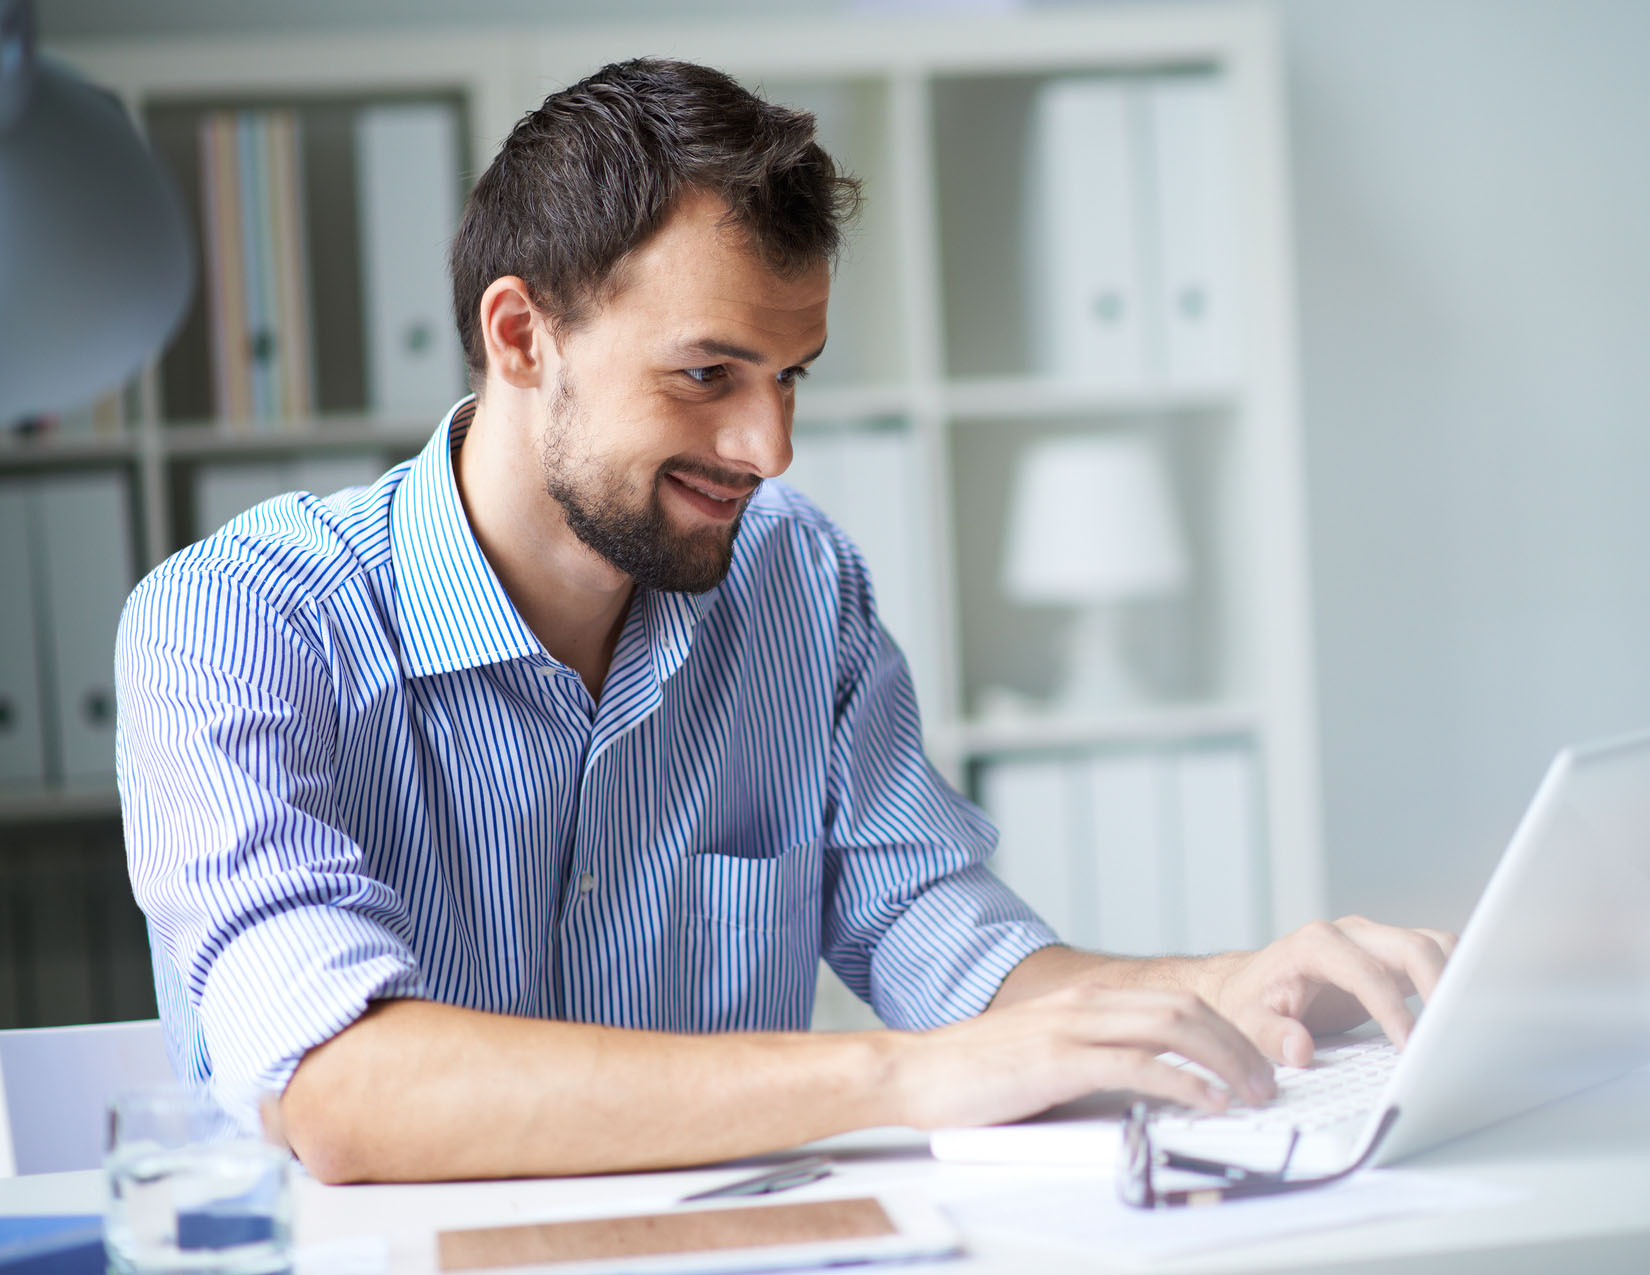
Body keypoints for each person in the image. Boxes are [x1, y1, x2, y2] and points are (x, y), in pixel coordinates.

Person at [116, 58, 1453, 1186]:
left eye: (789, 377)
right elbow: (341, 1091)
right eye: (706, 374)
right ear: (522, 337)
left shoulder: (795, 583)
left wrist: (1235, 986)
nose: (767, 448)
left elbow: (946, 945)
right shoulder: (233, 622)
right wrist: (900, 1076)